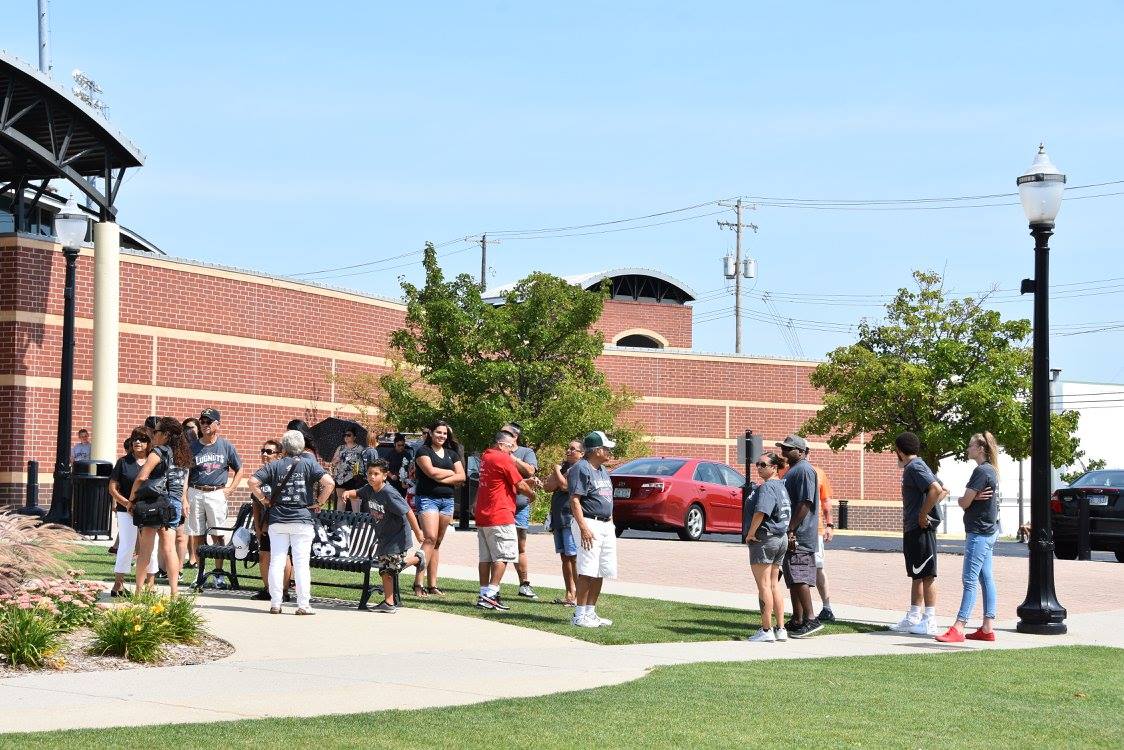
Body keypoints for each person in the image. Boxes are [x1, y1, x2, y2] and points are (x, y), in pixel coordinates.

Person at [248, 429, 335, 615]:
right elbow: (329, 483)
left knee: (277, 561)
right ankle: (303, 605)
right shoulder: (309, 464)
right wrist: (319, 502)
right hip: (302, 518)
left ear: (284, 447)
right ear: (301, 446)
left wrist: (264, 500)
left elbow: (252, 482)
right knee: (301, 563)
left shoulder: (275, 465)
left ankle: (275, 603)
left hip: (278, 518)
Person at [937, 432, 1000, 643]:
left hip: (979, 533)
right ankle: (987, 627)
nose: (967, 449)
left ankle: (959, 626)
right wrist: (971, 499)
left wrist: (968, 500)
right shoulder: (991, 470)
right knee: (986, 578)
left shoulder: (981, 471)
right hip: (989, 531)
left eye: (970, 445)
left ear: (980, 448)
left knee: (970, 580)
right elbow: (970, 500)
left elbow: (964, 502)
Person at [340, 459, 426, 613]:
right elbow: (357, 493)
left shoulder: (389, 493)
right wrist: (347, 492)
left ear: (385, 476)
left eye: (376, 474)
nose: (372, 477)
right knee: (385, 569)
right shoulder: (369, 489)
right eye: (369, 474)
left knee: (391, 568)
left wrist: (418, 532)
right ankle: (389, 602)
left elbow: (408, 511)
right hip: (384, 536)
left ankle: (417, 559)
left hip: (397, 536)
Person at [891, 431, 949, 636]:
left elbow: (936, 489)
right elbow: (943, 490)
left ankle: (929, 620)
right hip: (913, 528)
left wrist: (923, 514)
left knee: (927, 575)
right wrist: (925, 511)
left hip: (920, 529)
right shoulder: (914, 467)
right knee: (917, 573)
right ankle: (914, 617)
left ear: (899, 450)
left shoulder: (915, 466)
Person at [474, 431, 539, 610]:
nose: (512, 451)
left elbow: (503, 482)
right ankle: (491, 593)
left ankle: (483, 593)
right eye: (510, 447)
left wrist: (524, 483)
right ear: (501, 445)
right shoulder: (503, 459)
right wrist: (532, 494)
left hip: (484, 515)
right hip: (500, 514)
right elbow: (519, 484)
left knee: (485, 557)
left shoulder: (486, 457)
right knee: (504, 555)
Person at [129, 417, 192, 597]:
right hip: (174, 504)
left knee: (145, 551)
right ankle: (174, 592)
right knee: (169, 549)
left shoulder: (158, 451)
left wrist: (132, 499)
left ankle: (139, 591)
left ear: (165, 435)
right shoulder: (184, 455)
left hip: (156, 503)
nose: (153, 434)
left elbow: (142, 477)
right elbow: (184, 484)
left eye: (156, 431)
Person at [186, 408, 244, 588]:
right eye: (202, 421)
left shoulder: (226, 446)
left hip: (216, 493)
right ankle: (200, 573)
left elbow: (239, 469)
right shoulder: (193, 446)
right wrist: (184, 498)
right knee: (197, 535)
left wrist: (231, 489)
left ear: (217, 424)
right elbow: (185, 473)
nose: (204, 425)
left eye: (208, 421)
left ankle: (218, 574)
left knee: (218, 534)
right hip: (195, 491)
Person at [568, 430, 619, 628]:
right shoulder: (581, 468)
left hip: (606, 524)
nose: (608, 452)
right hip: (589, 522)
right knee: (587, 569)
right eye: (606, 448)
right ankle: (579, 615)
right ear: (596, 450)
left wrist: (611, 522)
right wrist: (584, 528)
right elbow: (575, 500)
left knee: (601, 570)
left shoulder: (602, 470)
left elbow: (607, 498)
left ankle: (591, 612)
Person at [411, 420, 465, 597]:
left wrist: (442, 478)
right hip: (427, 499)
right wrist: (450, 474)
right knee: (430, 539)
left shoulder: (452, 454)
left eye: (444, 433)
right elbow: (431, 473)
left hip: (447, 500)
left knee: (437, 543)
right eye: (438, 432)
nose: (442, 436)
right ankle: (418, 583)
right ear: (431, 433)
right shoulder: (422, 451)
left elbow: (462, 476)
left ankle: (432, 585)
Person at [776, 434, 821, 638]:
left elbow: (805, 503)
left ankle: (811, 619)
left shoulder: (804, 470)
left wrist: (792, 529)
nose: (783, 452)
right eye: (783, 448)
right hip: (792, 533)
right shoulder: (793, 470)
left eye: (788, 449)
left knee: (800, 575)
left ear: (801, 452)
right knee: (793, 577)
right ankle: (797, 619)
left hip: (800, 535)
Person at [743, 452, 792, 642]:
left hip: (765, 538)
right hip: (780, 538)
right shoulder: (781, 486)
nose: (759, 468)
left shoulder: (767, 487)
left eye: (763, 464)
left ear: (774, 467)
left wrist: (750, 533)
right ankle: (781, 629)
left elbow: (761, 512)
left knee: (763, 586)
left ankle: (766, 630)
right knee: (773, 585)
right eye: (757, 464)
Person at [108, 428, 152, 596]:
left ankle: (149, 585)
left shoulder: (153, 462)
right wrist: (127, 503)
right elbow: (112, 488)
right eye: (135, 439)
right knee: (126, 545)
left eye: (142, 439)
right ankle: (118, 585)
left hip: (149, 509)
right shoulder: (123, 462)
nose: (137, 442)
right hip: (126, 510)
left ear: (148, 443)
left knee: (150, 548)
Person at [501, 422, 539, 599]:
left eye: (506, 432)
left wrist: (512, 458)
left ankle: (524, 584)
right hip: (500, 506)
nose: (502, 434)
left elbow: (531, 471)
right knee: (499, 546)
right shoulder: (496, 451)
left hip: (519, 507)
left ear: (515, 436)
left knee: (520, 546)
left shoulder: (526, 452)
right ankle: (492, 586)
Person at [250, 439, 292, 601]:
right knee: (264, 555)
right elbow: (256, 505)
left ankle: (284, 590)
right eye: (263, 451)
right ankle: (268, 589)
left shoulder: (283, 474)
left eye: (269, 451)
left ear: (279, 455)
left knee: (283, 556)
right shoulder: (259, 475)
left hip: (281, 522)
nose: (264, 454)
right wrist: (258, 528)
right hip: (266, 525)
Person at [543, 439, 583, 606]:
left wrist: (557, 471)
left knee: (573, 557)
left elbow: (565, 486)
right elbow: (548, 487)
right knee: (564, 557)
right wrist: (558, 471)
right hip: (558, 518)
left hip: (570, 518)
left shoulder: (580, 468)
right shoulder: (564, 467)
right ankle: (569, 593)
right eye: (568, 448)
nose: (568, 451)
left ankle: (580, 596)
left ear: (582, 453)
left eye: (573, 449)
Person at [809, 456, 835, 622]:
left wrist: (829, 524)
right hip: (792, 529)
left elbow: (825, 500)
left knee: (818, 567)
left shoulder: (818, 473)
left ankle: (827, 607)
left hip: (815, 529)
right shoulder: (785, 471)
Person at [332, 428, 367, 511]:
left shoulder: (360, 448)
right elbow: (333, 462)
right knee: (341, 499)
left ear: (354, 437)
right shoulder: (340, 448)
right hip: (340, 477)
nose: (346, 437)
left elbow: (362, 464)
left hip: (353, 477)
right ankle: (339, 520)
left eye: (349, 435)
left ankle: (356, 520)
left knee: (354, 499)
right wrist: (336, 460)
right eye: (345, 435)